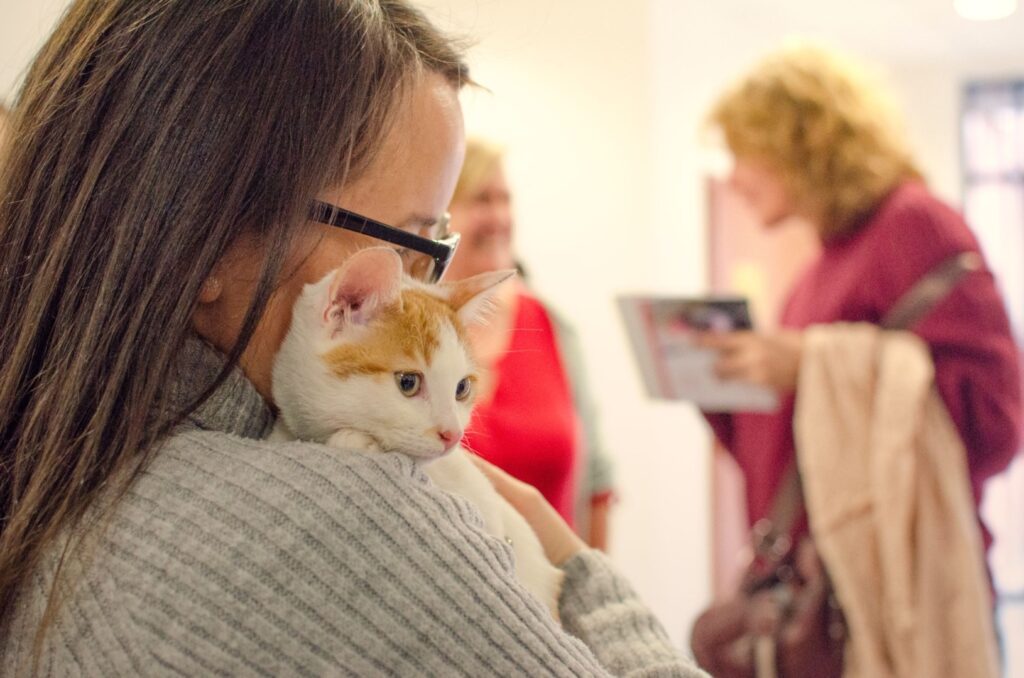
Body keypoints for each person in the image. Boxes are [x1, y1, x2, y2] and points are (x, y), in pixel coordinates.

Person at [0, 2, 706, 675]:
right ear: (207, 245)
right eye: (409, 243)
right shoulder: (340, 522)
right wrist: (586, 574)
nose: (419, 291)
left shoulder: (59, 490)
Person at [691, 44, 1020, 675]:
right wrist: (722, 388)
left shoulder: (914, 224)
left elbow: (995, 424)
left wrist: (818, 364)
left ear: (801, 141)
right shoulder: (818, 266)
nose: (732, 177)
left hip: (899, 593)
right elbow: (798, 460)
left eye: (743, 153)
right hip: (822, 599)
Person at [446, 138, 615, 549]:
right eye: (481, 199)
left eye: (506, 200)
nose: (500, 217)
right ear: (440, 213)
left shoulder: (551, 325)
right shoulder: (413, 334)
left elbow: (597, 481)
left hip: (552, 599)